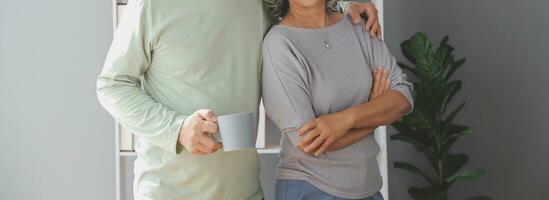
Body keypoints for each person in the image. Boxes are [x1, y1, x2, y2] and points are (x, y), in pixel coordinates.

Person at [96, 0, 382, 199]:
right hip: (167, 192)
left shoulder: (259, 3)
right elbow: (112, 84)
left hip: (243, 192)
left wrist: (344, 6)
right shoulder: (150, 4)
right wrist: (178, 128)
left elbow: (304, 7)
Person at [261, 0, 414, 199]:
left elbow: (403, 98)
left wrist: (345, 120)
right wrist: (374, 113)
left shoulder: (358, 23)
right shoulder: (279, 43)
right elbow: (310, 142)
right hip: (311, 189)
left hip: (370, 188)